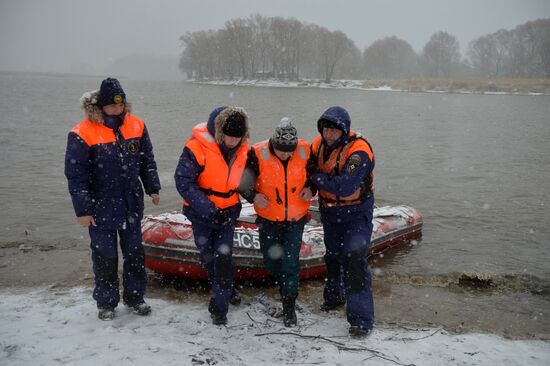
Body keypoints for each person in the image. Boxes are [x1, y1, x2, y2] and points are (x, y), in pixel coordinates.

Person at [64, 77, 161, 321]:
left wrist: (153, 187)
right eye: (112, 106)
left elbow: (147, 161)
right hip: (100, 208)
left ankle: (135, 297)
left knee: (135, 255)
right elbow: (76, 176)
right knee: (105, 257)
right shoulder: (81, 133)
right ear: (100, 106)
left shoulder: (137, 125)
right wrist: (83, 210)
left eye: (121, 105)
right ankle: (106, 303)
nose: (118, 109)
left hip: (131, 203)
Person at [175, 106, 250, 325]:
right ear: (220, 132)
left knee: (223, 258)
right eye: (229, 137)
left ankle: (220, 307)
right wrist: (209, 210)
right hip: (202, 214)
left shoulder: (244, 149)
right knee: (208, 256)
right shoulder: (196, 148)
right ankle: (228, 289)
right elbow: (183, 181)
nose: (233, 142)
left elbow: (250, 178)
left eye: (238, 138)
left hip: (228, 213)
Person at [239, 118, 314, 327]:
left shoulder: (305, 151)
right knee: (271, 262)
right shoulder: (257, 153)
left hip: (295, 219)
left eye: (289, 151)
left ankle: (289, 306)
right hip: (268, 219)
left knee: (290, 262)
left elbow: (315, 176)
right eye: (282, 151)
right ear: (273, 143)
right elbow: (241, 181)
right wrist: (252, 196)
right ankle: (282, 284)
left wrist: (312, 189)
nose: (286, 155)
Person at [308, 106, 376, 338]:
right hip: (330, 213)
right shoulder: (317, 145)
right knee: (333, 257)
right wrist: (312, 181)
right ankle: (334, 297)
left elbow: (346, 186)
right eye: (326, 129)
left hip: (356, 214)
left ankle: (361, 319)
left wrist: (316, 178)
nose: (329, 135)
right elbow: (308, 167)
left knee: (355, 261)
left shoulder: (359, 151)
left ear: (344, 131)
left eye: (334, 131)